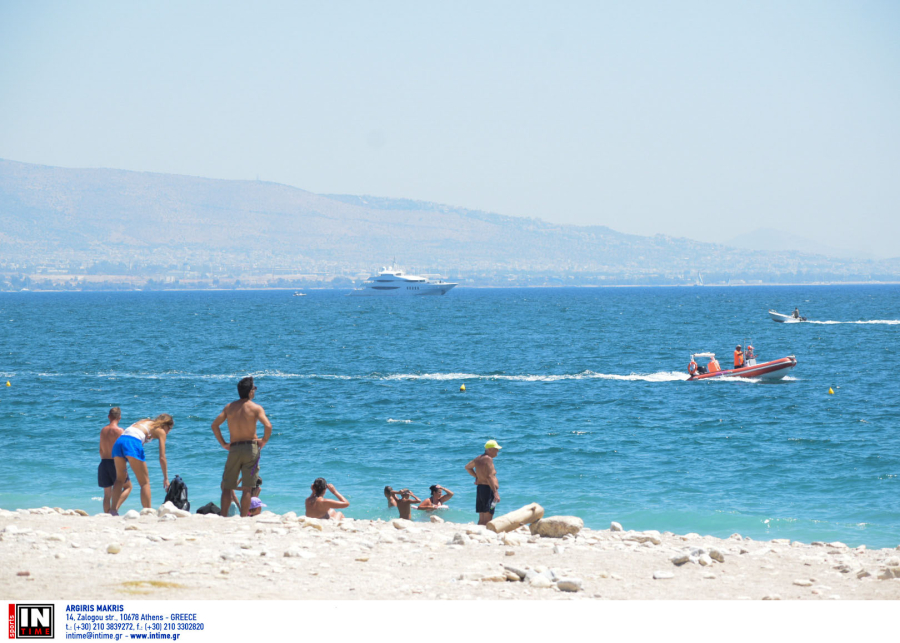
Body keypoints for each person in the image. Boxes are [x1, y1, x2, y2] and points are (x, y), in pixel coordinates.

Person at [211, 376, 273, 518]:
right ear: (250, 392)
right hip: (250, 448)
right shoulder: (256, 408)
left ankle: (224, 516)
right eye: (254, 389)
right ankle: (244, 517)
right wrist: (263, 441)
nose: (255, 391)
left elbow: (214, 425)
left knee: (227, 487)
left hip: (234, 448)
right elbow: (268, 426)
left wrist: (223, 443)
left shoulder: (229, 407)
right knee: (247, 488)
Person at [110, 413, 174, 514]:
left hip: (119, 442)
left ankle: (112, 510)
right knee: (144, 482)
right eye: (169, 429)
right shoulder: (161, 431)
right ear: (167, 425)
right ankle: (148, 511)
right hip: (132, 442)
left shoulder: (145, 421)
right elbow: (162, 457)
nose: (168, 432)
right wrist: (166, 478)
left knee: (119, 479)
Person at [98, 407, 132, 514]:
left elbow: (101, 450)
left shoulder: (103, 430)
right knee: (128, 487)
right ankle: (114, 508)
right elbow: (124, 449)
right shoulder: (121, 431)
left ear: (109, 417)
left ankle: (107, 514)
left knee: (107, 494)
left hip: (103, 463)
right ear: (120, 417)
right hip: (116, 463)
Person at [465, 440, 501, 525]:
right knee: (489, 516)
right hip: (488, 490)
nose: (498, 451)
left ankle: (480, 534)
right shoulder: (488, 459)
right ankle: (487, 534)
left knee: (482, 517)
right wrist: (495, 493)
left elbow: (467, 467)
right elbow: (490, 476)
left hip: (481, 489)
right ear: (490, 449)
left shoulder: (478, 458)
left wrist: (477, 476)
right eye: (496, 449)